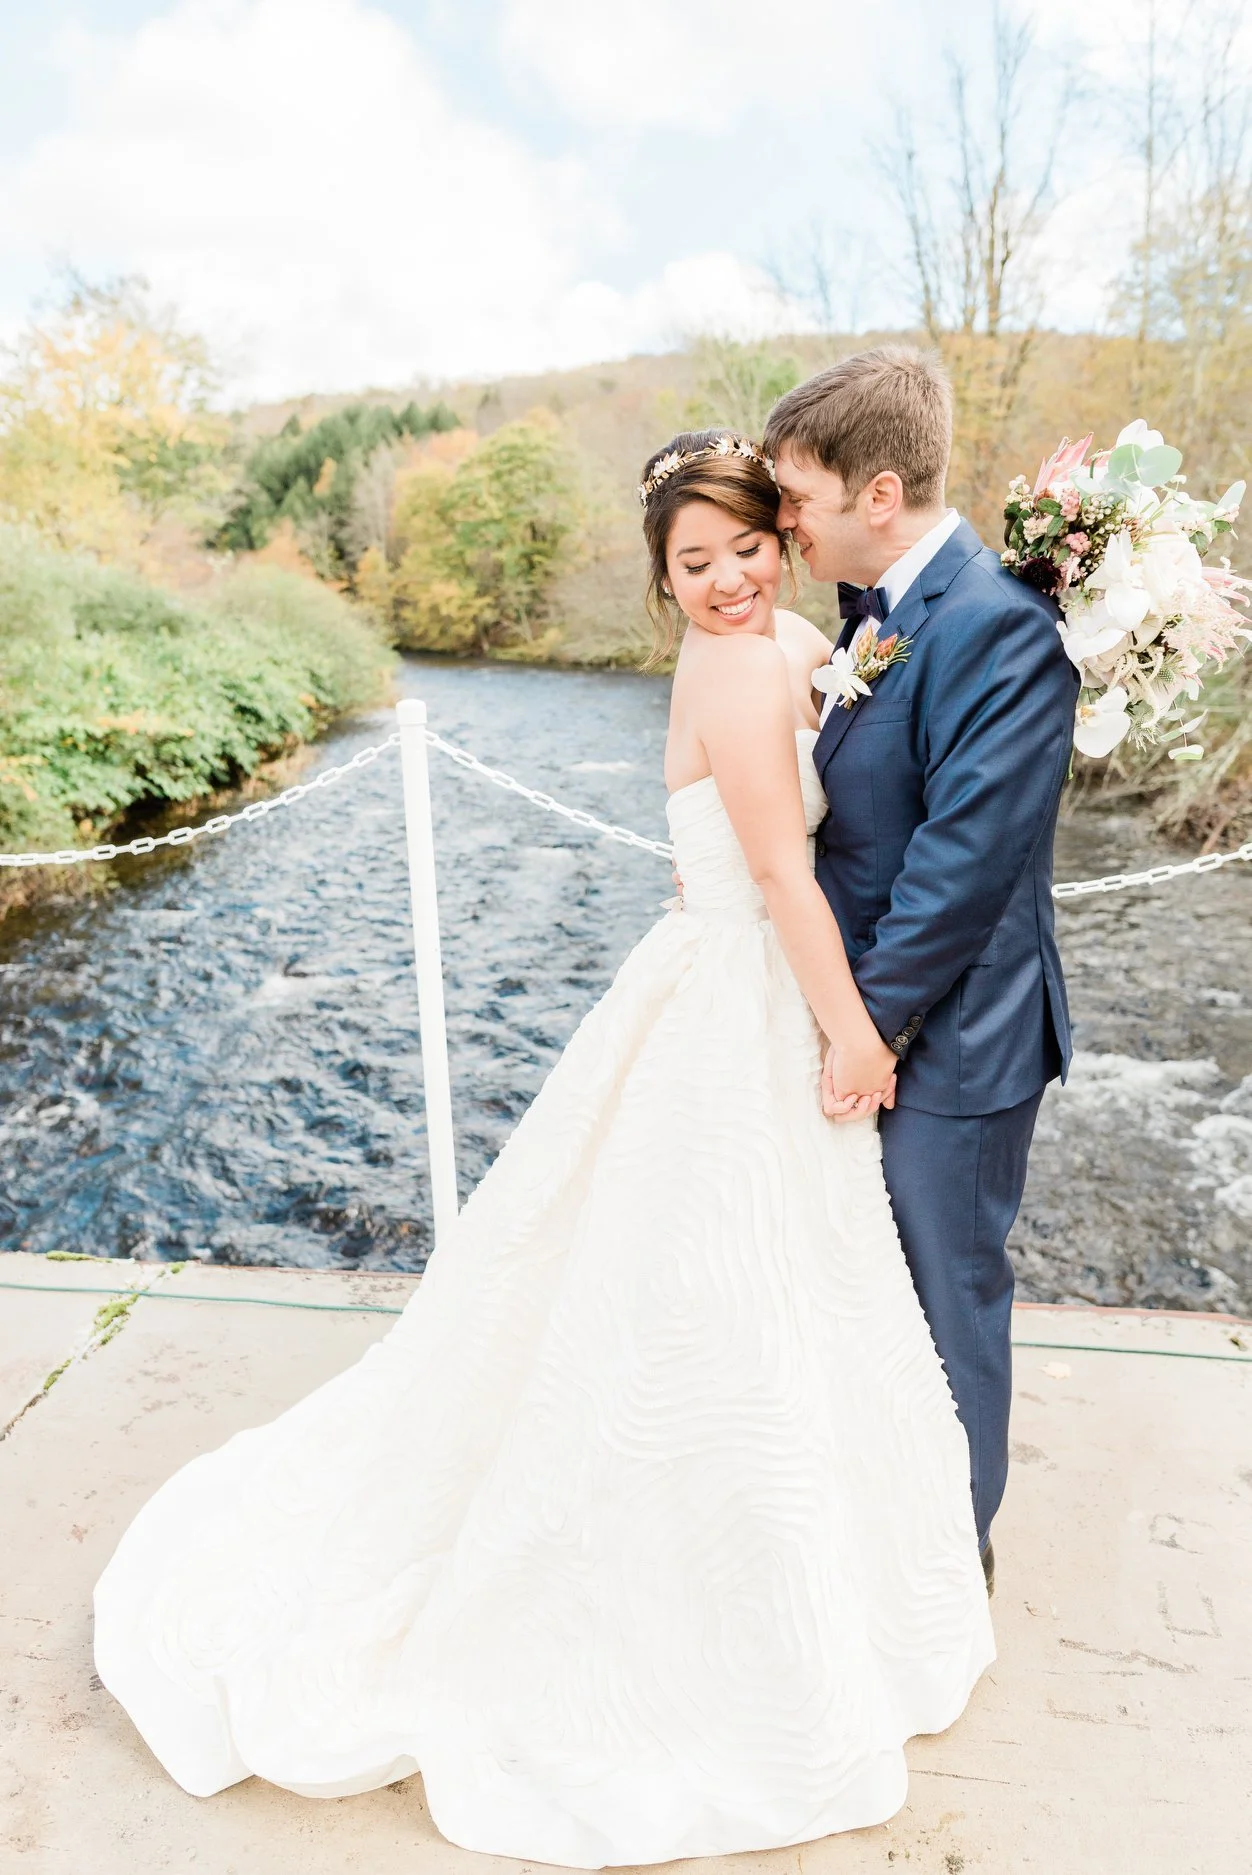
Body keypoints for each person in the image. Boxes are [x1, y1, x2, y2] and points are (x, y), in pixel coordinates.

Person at [93, 431, 994, 1869]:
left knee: (758, 1290)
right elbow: (774, 869)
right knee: (708, 1290)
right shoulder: (733, 665)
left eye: (747, 547)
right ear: (659, 584)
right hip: (740, 989)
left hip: (732, 990)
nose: (726, 579)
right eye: (691, 565)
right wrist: (855, 1033)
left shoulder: (797, 643)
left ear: (784, 534)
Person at [763, 348, 1079, 1591]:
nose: (785, 524)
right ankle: (881, 1529)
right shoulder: (878, 620)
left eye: (800, 498)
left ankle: (952, 1567)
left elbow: (960, 870)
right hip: (878, 1026)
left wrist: (865, 1031)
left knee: (949, 1305)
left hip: (955, 1042)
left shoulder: (1001, 630)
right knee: (868, 1297)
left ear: (877, 494)